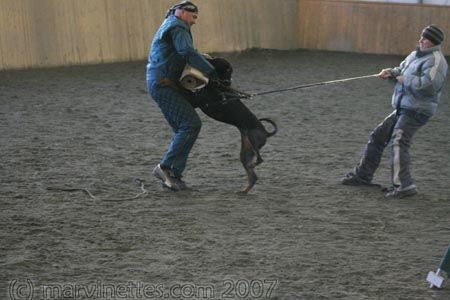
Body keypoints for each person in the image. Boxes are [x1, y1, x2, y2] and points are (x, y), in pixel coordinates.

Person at [342, 25, 448, 198]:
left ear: (433, 42)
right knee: (378, 136)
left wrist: (403, 79)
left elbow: (428, 86)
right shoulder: (415, 55)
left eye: (425, 39)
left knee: (398, 142)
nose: (420, 40)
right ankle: (362, 176)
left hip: (417, 110)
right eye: (421, 37)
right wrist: (391, 72)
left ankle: (404, 186)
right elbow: (402, 70)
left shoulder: (437, 61)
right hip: (404, 107)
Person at [146, 1, 216, 191]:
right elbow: (185, 50)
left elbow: (181, 52)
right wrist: (210, 70)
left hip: (159, 82)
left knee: (183, 127)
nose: (194, 22)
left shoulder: (170, 23)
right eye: (193, 17)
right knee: (190, 124)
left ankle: (173, 174)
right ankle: (166, 168)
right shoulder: (178, 26)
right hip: (164, 85)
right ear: (183, 13)